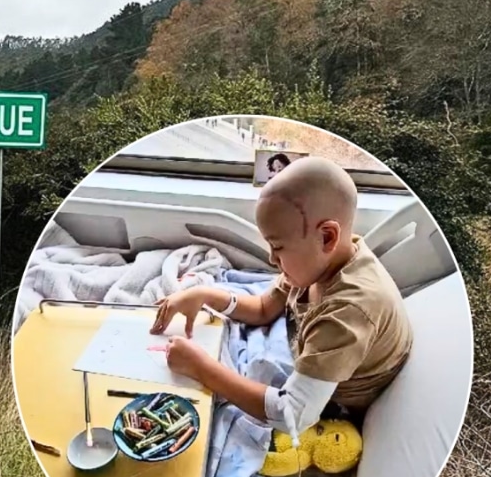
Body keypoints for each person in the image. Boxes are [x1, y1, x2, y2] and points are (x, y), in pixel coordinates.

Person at [149, 156, 413, 440]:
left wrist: (201, 368)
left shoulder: (346, 312)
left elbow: (292, 415)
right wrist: (205, 295)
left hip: (332, 402)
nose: (271, 259)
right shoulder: (323, 260)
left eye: (278, 247)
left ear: (327, 237)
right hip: (305, 354)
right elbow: (265, 308)